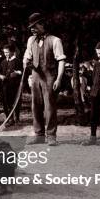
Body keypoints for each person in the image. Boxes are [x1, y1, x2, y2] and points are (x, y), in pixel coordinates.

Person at [23, 13, 66, 146]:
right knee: (35, 106)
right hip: (35, 76)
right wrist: (26, 64)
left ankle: (51, 136)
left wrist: (58, 79)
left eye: (34, 26)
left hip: (49, 77)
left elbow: (61, 60)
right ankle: (39, 135)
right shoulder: (31, 40)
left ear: (42, 24)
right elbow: (27, 56)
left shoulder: (55, 40)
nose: (32, 29)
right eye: (30, 27)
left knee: (50, 107)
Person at [0, 43, 23, 124]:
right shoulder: (3, 62)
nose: (6, 54)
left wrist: (17, 73)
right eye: (5, 52)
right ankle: (9, 118)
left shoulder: (17, 61)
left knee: (16, 101)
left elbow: (22, 72)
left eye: (7, 52)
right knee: (6, 102)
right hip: (6, 86)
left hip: (15, 85)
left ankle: (17, 118)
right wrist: (0, 76)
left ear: (12, 52)